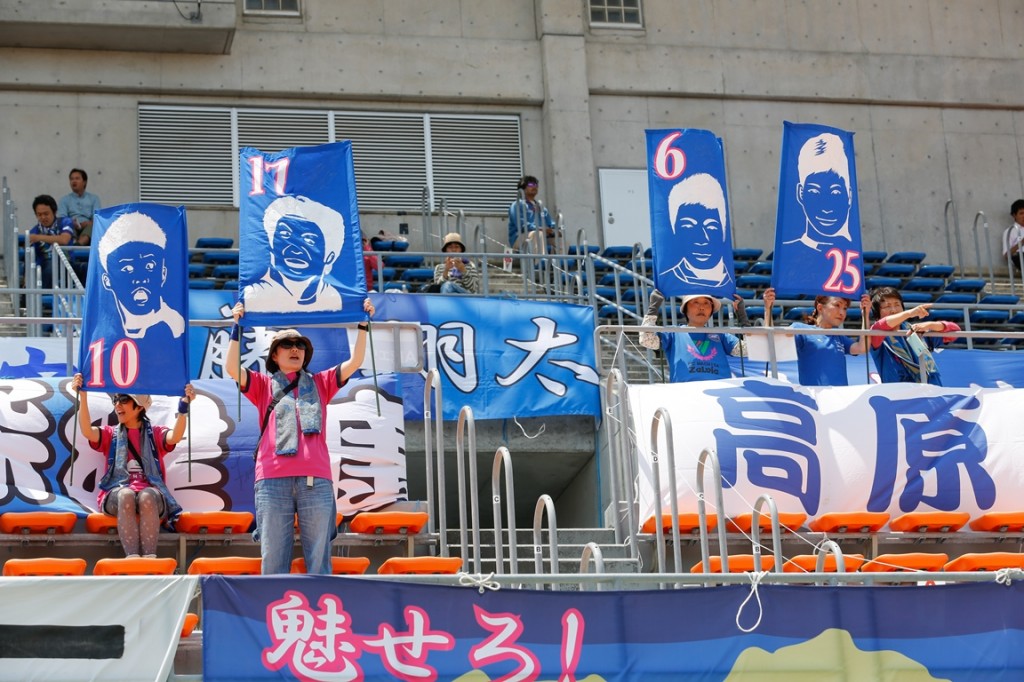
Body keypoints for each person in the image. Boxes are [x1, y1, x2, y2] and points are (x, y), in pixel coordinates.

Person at [225, 297, 376, 575]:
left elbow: (355, 361)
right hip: (272, 480)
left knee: (319, 560)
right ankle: (272, 604)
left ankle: (320, 603)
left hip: (316, 479)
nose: (295, 349)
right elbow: (232, 368)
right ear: (274, 355)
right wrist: (236, 325)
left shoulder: (321, 382)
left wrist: (363, 324)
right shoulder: (262, 384)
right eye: (287, 344)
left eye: (300, 345)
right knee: (273, 561)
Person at [70, 373, 193, 558]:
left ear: (140, 406)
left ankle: (150, 558)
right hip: (116, 493)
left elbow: (174, 437)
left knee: (147, 495)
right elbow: (87, 431)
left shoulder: (155, 434)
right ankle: (132, 558)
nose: (117, 405)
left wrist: (183, 408)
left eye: (124, 400)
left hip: (151, 494)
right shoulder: (110, 433)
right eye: (116, 400)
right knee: (126, 494)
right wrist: (83, 395)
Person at [242, 195, 346, 313]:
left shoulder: (335, 298)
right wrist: (238, 318)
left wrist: (361, 316)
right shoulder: (253, 295)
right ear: (271, 245)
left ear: (329, 256)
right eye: (285, 235)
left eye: (309, 240)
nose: (295, 249)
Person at [97, 210, 186, 340]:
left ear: (163, 274)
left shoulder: (177, 328)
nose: (140, 278)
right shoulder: (101, 330)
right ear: (107, 280)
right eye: (127, 268)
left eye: (149, 266)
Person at [762, 287, 871, 386]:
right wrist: (768, 309)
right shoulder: (801, 329)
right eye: (837, 305)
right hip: (814, 398)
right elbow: (772, 340)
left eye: (845, 308)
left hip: (841, 398)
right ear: (820, 308)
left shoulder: (839, 335)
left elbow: (862, 347)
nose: (842, 312)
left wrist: (865, 315)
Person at [639, 290, 749, 382]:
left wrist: (743, 319)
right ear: (685, 309)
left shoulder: (721, 335)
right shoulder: (673, 333)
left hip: (721, 393)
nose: (701, 307)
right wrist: (653, 309)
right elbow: (646, 340)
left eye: (706, 303)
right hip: (687, 395)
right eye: (696, 302)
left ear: (711, 310)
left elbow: (748, 350)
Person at [869, 287, 960, 385]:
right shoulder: (877, 335)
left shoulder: (917, 330)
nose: (893, 310)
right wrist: (910, 313)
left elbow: (954, 330)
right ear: (877, 314)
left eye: (897, 305)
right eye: (887, 306)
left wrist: (930, 325)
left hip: (930, 389)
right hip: (898, 392)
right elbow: (880, 326)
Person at [658, 172, 732, 287]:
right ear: (674, 231)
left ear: (723, 230)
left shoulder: (731, 285)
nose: (702, 239)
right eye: (688, 226)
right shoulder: (667, 284)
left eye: (711, 226)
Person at [784, 133, 853, 252]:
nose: (826, 208)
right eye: (814, 191)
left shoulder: (855, 256)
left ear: (849, 197)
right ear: (800, 193)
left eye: (835, 192)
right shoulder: (787, 253)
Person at [508, 175, 557, 251]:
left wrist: (555, 230)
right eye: (531, 184)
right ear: (523, 188)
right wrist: (540, 228)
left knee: (559, 239)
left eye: (536, 185)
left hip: (542, 236)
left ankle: (563, 259)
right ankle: (540, 259)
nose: (534, 187)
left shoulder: (541, 207)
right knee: (537, 234)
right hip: (520, 237)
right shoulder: (517, 205)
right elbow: (522, 225)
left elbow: (551, 223)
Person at [57, 168, 102, 246]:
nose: (74, 181)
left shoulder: (94, 198)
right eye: (71, 179)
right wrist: (71, 222)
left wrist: (88, 223)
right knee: (66, 227)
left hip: (88, 227)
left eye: (77, 178)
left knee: (93, 226)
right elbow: (62, 218)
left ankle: (78, 244)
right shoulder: (64, 200)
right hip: (72, 226)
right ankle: (76, 243)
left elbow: (97, 218)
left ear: (84, 182)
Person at [1002, 199, 1024, 272]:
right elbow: (1006, 255)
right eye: (1021, 213)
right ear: (1014, 215)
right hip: (1020, 259)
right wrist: (1021, 243)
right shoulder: (1010, 232)